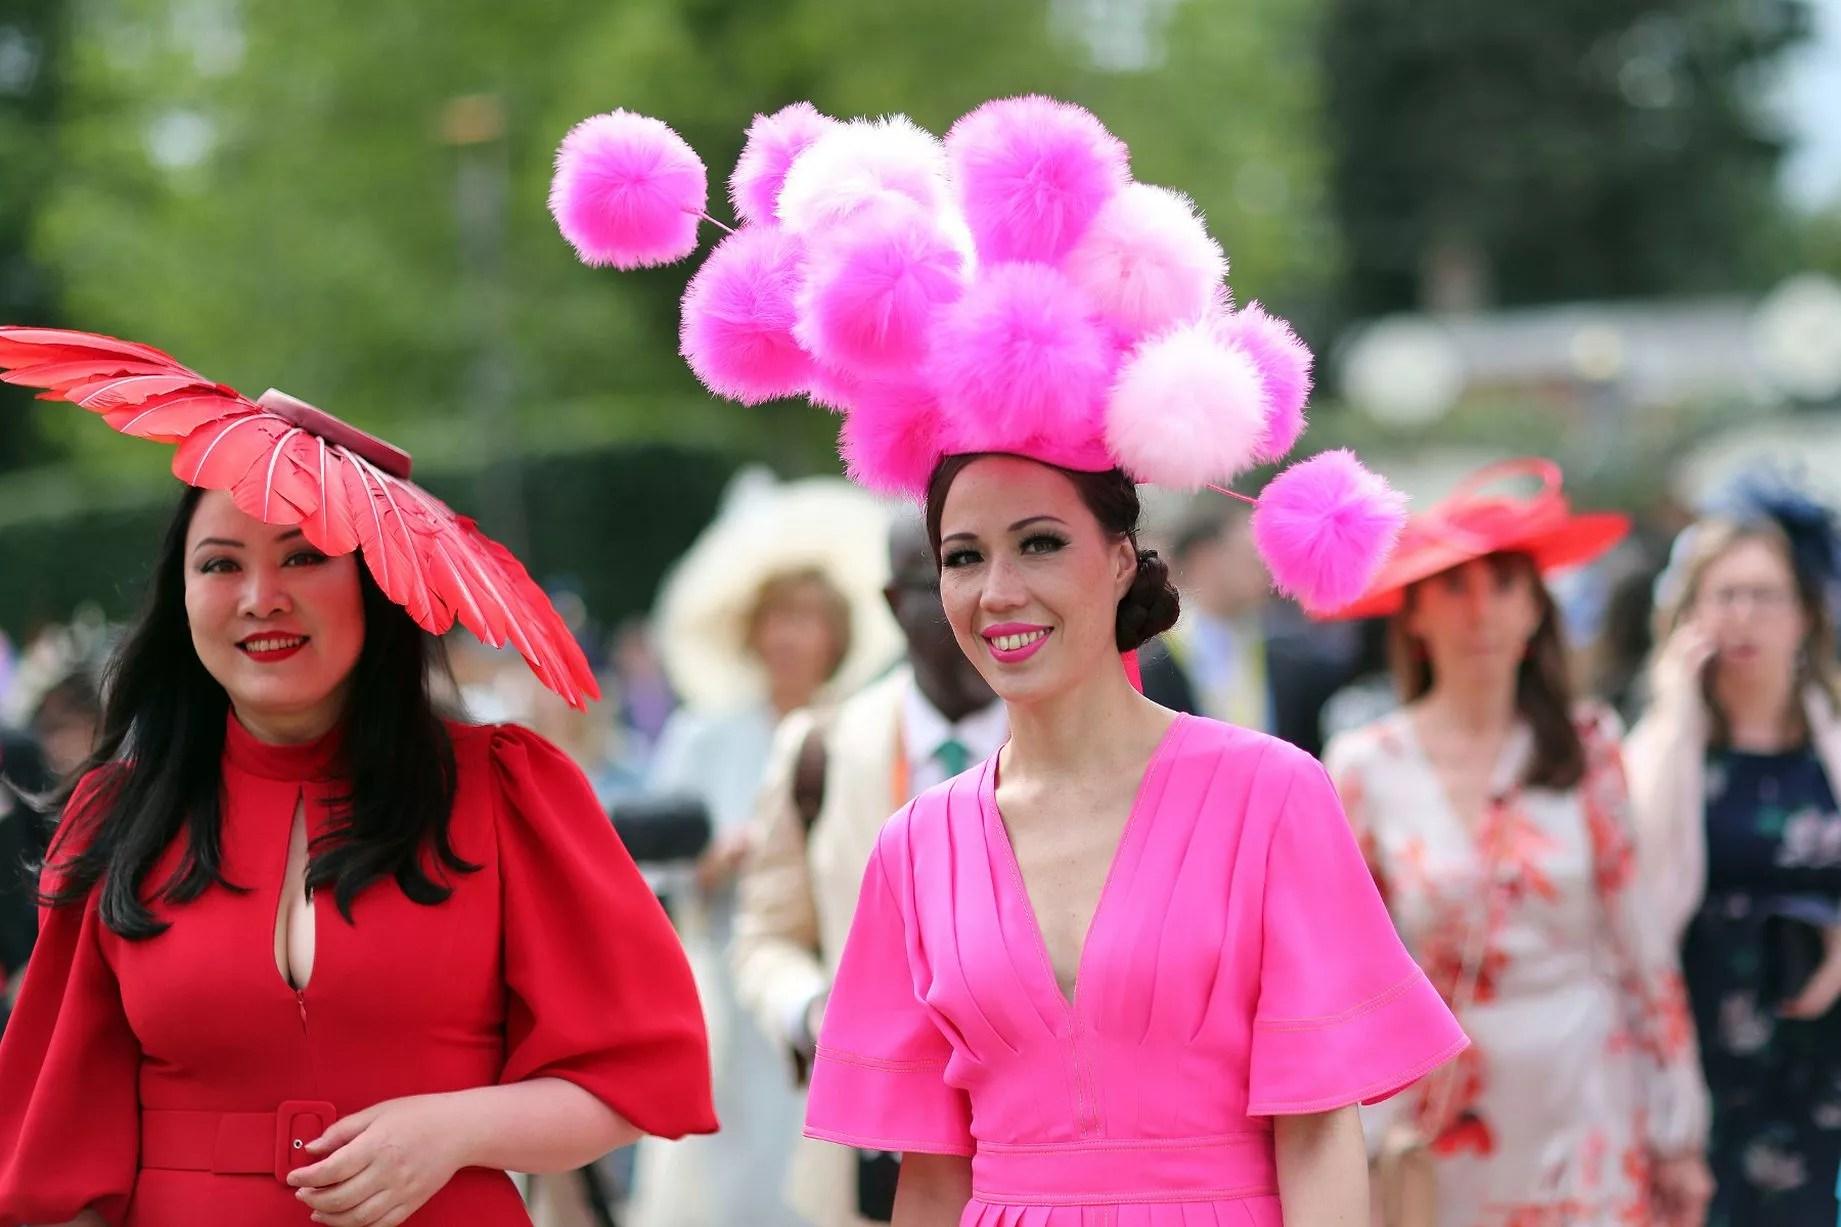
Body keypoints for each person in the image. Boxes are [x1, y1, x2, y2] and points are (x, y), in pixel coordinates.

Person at [554, 93, 1466, 1225]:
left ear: (1120, 558)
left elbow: (1322, 1133)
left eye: (1039, 544)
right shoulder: (914, 847)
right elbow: (928, 1175)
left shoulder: (1270, 795)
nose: (997, 592)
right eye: (962, 556)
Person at [0, 330, 715, 1226]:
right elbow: (53, 1140)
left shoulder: (504, 790)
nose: (261, 596)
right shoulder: (115, 816)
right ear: (180, 596)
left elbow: (635, 1074)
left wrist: (455, 1128)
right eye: (220, 563)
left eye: (303, 556)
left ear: (374, 583)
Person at [1320, 458, 1712, 1227]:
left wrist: (1678, 1128)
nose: (1480, 613)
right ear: (1413, 614)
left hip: (1585, 1086)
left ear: (1536, 608)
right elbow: (1345, 967)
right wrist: (1352, 1133)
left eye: (1503, 586)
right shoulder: (1364, 764)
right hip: (1436, 1106)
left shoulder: (1586, 745)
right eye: (1452, 588)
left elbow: (1641, 946)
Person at [634, 474, 901, 1227]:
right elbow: (647, 870)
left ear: (835, 634)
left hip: (837, 980)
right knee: (731, 1170)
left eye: (806, 619)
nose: (789, 637)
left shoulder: (861, 731)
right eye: (776, 618)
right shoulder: (702, 737)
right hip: (725, 986)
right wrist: (709, 865)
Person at [732, 512, 1006, 1226]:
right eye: (947, 570)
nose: (981, 597)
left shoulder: (1076, 741)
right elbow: (766, 936)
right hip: (874, 1167)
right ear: (894, 602)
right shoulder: (819, 748)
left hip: (1039, 1150)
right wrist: (815, 1011)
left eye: (994, 563)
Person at [1626, 476, 1841, 1225]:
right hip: (1697, 1046)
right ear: (1688, 612)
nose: (1743, 616)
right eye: (1723, 596)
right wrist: (1674, 707)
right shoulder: (1664, 747)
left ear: (1804, 613)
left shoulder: (1830, 738)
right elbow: (1634, 875)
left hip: (1821, 1043)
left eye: (1764, 596)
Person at [1165, 502, 1360, 757]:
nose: (1265, 567)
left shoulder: (1288, 651)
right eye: (1250, 555)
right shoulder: (1156, 660)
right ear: (1203, 558)